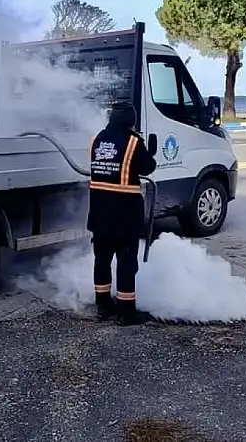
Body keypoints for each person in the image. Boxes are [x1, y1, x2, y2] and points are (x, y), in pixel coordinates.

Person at [87, 100, 157, 326]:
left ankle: (103, 306)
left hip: (98, 213)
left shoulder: (97, 139)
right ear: (130, 121)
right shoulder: (133, 142)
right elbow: (148, 167)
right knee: (126, 263)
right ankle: (126, 312)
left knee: (102, 260)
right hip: (124, 214)